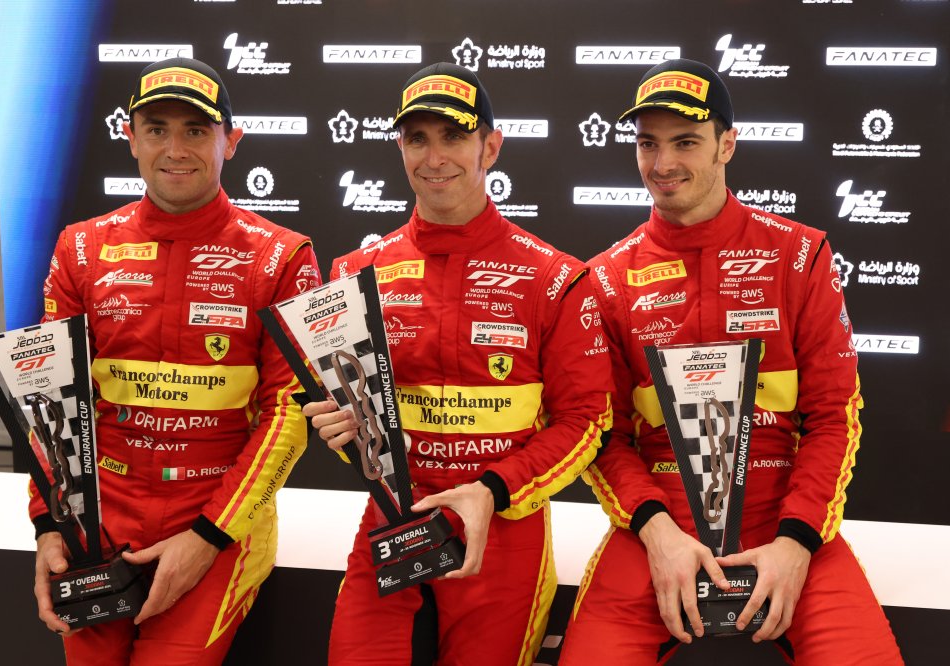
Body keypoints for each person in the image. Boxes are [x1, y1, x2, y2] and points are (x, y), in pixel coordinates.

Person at [559, 59, 903, 664]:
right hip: (659, 526)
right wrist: (658, 534)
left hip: (784, 518)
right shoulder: (606, 279)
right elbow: (604, 435)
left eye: (685, 142)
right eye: (648, 143)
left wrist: (797, 542)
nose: (662, 164)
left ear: (727, 145)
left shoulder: (799, 255)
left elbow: (832, 416)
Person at [303, 62, 613, 665]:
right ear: (400, 148)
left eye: (453, 136)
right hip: (393, 522)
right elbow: (353, 424)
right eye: (417, 138)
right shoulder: (353, 275)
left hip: (503, 527)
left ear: (490, 147)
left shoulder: (554, 278)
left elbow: (587, 422)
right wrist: (341, 433)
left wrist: (493, 490)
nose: (434, 156)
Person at [34, 57, 321, 664]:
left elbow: (289, 416)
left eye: (196, 130)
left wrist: (209, 535)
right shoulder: (80, 248)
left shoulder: (282, 257)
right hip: (97, 525)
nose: (175, 149)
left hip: (217, 524)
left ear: (231, 141)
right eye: (157, 129)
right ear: (130, 138)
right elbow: (50, 401)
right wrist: (50, 525)